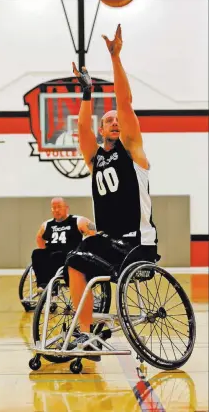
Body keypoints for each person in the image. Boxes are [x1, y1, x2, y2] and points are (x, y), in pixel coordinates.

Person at [67, 25, 158, 352]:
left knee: (83, 258)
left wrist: (115, 58)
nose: (115, 122)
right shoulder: (95, 159)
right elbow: (80, 126)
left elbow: (125, 101)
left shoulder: (133, 150)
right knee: (75, 261)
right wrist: (88, 92)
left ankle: (89, 330)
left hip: (136, 244)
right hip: (110, 242)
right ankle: (85, 334)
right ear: (101, 129)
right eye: (108, 121)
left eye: (117, 119)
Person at [32, 197, 95, 292]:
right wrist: (44, 250)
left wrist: (84, 250)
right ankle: (43, 284)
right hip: (52, 253)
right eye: (54, 208)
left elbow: (93, 231)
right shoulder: (47, 224)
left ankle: (52, 287)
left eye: (59, 207)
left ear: (66, 207)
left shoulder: (77, 220)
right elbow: (39, 238)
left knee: (56, 256)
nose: (56, 210)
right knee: (37, 253)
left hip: (69, 254)